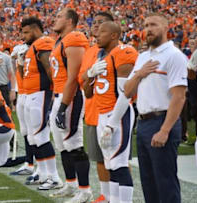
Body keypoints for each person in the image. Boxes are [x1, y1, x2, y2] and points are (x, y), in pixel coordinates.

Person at [124, 14, 188, 203]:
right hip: (143, 123)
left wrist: (165, 130)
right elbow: (127, 91)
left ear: (166, 27)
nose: (148, 29)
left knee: (165, 182)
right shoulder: (143, 56)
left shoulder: (174, 56)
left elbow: (179, 96)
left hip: (162, 121)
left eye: (153, 24)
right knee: (148, 182)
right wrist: (139, 74)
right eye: (145, 25)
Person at [86, 21, 138, 203]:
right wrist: (90, 75)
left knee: (119, 164)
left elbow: (126, 93)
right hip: (102, 113)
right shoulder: (103, 57)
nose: (96, 35)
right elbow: (87, 92)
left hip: (118, 114)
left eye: (102, 32)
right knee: (110, 164)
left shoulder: (124, 52)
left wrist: (112, 123)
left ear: (114, 35)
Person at [47, 8, 92, 202]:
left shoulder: (75, 38)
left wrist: (64, 105)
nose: (54, 20)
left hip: (71, 97)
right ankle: (71, 184)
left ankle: (85, 190)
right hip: (59, 96)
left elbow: (74, 76)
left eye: (59, 17)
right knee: (63, 146)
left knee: (74, 143)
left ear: (70, 20)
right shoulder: (61, 41)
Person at [19, 17, 62, 190]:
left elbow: (50, 69)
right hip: (31, 94)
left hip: (41, 93)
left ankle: (54, 177)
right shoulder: (33, 46)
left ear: (36, 29)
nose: (24, 36)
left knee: (41, 135)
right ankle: (43, 173)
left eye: (26, 32)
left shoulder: (44, 42)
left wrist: (54, 92)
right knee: (33, 137)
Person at [78, 12, 114, 203]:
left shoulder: (122, 51)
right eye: (95, 22)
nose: (96, 26)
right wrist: (90, 74)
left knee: (117, 159)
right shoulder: (91, 51)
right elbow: (82, 79)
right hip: (93, 110)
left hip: (114, 112)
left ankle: (118, 196)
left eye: (101, 23)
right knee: (99, 157)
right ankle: (106, 195)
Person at [9, 43, 36, 176]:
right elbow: (13, 60)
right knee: (25, 131)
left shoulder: (40, 45)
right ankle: (29, 162)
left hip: (33, 92)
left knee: (35, 132)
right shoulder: (19, 47)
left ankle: (39, 165)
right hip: (22, 91)